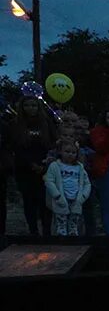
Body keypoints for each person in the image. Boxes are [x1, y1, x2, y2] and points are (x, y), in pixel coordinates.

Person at [8, 96, 58, 236]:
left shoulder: (47, 123)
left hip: (45, 169)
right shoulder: (15, 124)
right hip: (24, 169)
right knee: (29, 201)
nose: (31, 108)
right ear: (22, 107)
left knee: (45, 202)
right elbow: (15, 147)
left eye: (34, 105)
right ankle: (33, 232)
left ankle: (47, 232)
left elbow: (53, 144)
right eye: (27, 105)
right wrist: (31, 164)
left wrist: (45, 164)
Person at [42, 138, 91, 236]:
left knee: (73, 226)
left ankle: (73, 241)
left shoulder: (80, 167)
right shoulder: (55, 166)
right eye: (67, 151)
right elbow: (49, 181)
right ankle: (61, 241)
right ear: (60, 152)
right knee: (61, 226)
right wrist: (57, 195)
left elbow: (87, 184)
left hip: (76, 200)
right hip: (61, 199)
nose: (70, 154)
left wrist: (83, 197)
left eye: (73, 152)